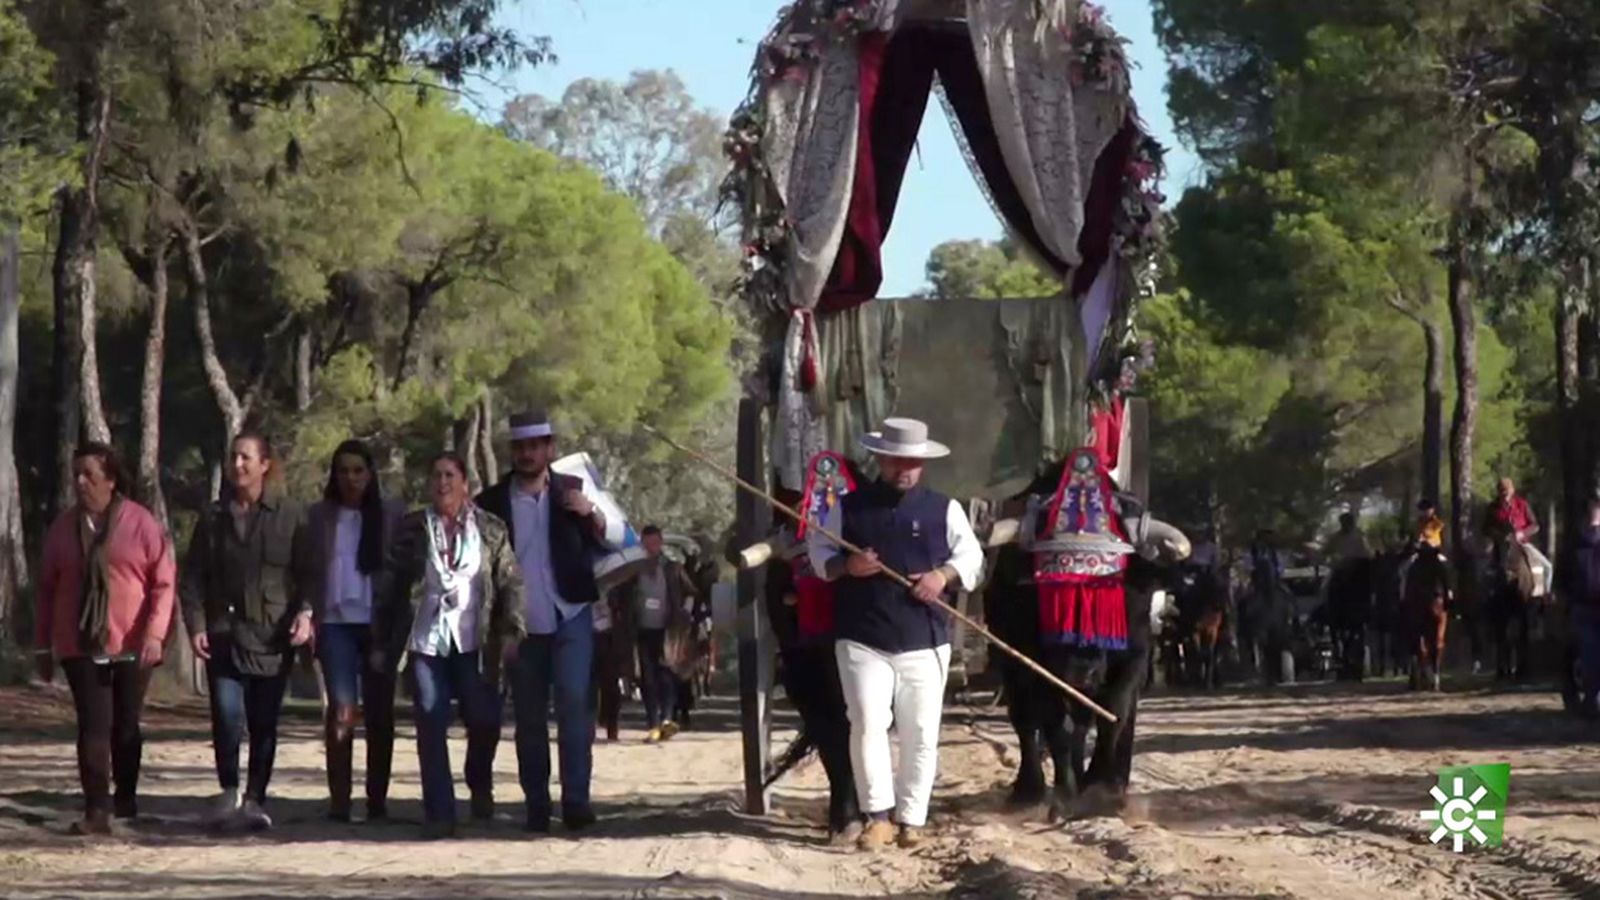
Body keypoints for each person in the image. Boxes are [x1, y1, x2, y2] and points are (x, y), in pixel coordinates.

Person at [808, 418, 983, 852]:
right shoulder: (847, 507)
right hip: (862, 636)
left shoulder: (945, 509)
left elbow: (971, 558)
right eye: (896, 460)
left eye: (912, 461)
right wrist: (848, 567)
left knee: (921, 731)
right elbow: (819, 552)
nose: (903, 468)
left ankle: (912, 819)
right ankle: (878, 816)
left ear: (922, 464)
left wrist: (943, 576)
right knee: (867, 721)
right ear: (881, 459)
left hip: (925, 638)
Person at [475, 410, 617, 834]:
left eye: (535, 446)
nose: (527, 454)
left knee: (575, 707)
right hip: (521, 624)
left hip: (570, 614)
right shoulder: (492, 503)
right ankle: (537, 804)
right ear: (512, 452)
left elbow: (612, 539)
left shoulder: (573, 489)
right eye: (519, 447)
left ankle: (576, 800)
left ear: (549, 450)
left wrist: (590, 512)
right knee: (531, 718)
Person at [372, 452, 525, 840]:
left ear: (465, 484)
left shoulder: (490, 529)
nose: (442, 482)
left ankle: (479, 780)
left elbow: (510, 582)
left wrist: (511, 631)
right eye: (436, 475)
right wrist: (380, 639)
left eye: (450, 475)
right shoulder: (412, 529)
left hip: (475, 639)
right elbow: (389, 587)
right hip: (427, 640)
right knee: (429, 716)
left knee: (484, 718)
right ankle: (439, 811)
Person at [35, 443, 176, 834]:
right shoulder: (63, 528)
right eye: (76, 475)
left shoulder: (140, 523)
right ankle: (97, 808)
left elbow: (164, 583)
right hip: (80, 642)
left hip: (132, 641)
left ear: (111, 481)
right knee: (93, 725)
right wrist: (43, 645)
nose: (81, 482)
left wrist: (155, 634)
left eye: (89, 475)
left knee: (126, 724)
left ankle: (126, 796)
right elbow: (46, 589)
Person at [180, 431, 312, 831]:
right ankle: (229, 789)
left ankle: (256, 797)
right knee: (225, 714)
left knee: (264, 720)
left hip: (272, 637)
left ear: (265, 465)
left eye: (246, 458)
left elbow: (308, 575)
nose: (238, 465)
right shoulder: (214, 518)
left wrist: (305, 614)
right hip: (224, 633)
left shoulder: (290, 515)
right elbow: (192, 579)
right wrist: (197, 625)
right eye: (234, 457)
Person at [303, 439, 406, 822]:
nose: (351, 478)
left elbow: (403, 571)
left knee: (380, 713)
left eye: (358, 470)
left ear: (371, 474)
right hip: (335, 625)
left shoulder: (392, 515)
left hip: (377, 623)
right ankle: (340, 801)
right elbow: (309, 570)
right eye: (343, 471)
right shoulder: (319, 517)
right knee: (342, 711)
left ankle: (376, 799)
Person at [615, 525, 699, 743]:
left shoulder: (673, 568)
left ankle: (667, 719)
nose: (651, 547)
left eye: (654, 543)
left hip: (667, 632)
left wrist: (684, 615)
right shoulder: (633, 571)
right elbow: (618, 595)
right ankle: (652, 723)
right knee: (647, 678)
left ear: (661, 543)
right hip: (641, 631)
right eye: (647, 543)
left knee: (667, 675)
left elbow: (691, 593)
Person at [1483, 476, 1553, 597]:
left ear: (1512, 491)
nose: (1505, 496)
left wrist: (1522, 533)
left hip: (1522, 543)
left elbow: (1535, 525)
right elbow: (1485, 528)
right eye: (1502, 493)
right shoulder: (1493, 508)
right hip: (1501, 545)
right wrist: (1501, 536)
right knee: (1484, 571)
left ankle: (1545, 596)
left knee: (1547, 567)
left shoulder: (1522, 504)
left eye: (1507, 493)